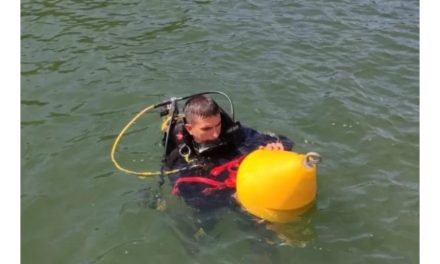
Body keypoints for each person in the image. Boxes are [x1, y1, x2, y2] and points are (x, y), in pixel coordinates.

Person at [163, 94, 294, 211]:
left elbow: (285, 141)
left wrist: (277, 146)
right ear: (190, 128)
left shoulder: (232, 133)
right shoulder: (180, 156)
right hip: (222, 195)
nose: (215, 134)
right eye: (206, 128)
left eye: (218, 125)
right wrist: (230, 197)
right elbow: (193, 199)